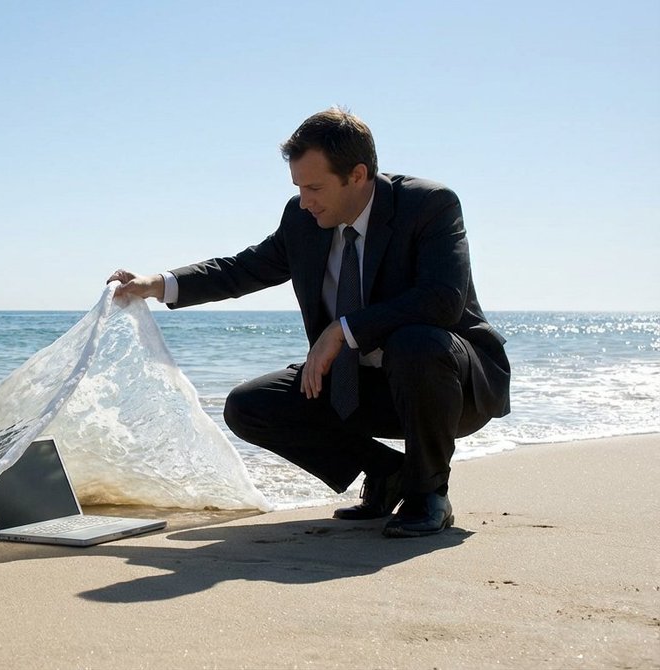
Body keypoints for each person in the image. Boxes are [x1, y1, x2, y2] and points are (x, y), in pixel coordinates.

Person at [109, 107, 510, 538]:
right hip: (359, 387)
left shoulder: (429, 205)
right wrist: (158, 283)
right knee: (250, 407)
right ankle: (386, 471)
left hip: (448, 386)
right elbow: (242, 269)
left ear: (357, 175)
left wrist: (342, 329)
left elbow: (442, 300)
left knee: (416, 341)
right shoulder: (303, 220)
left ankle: (428, 494)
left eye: (315, 187)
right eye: (299, 187)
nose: (305, 201)